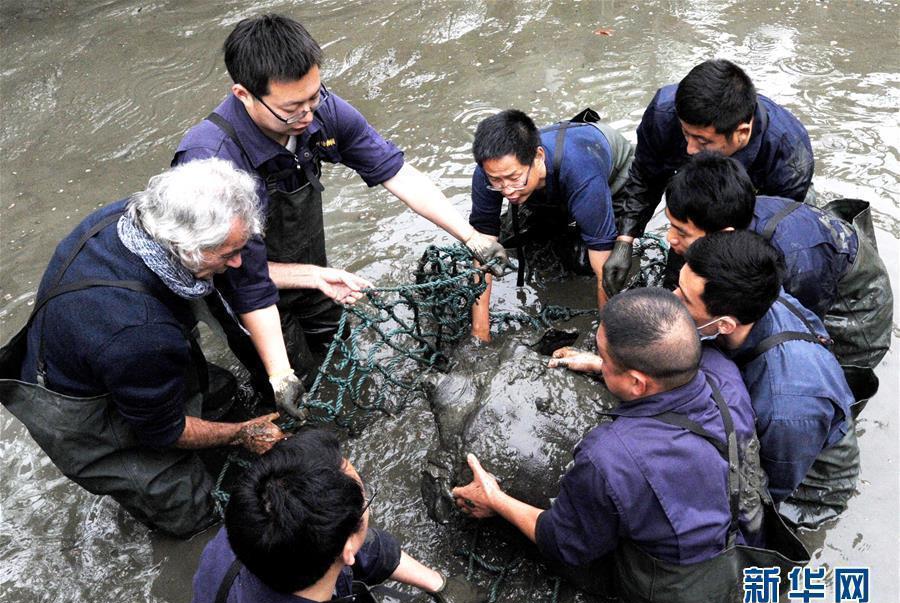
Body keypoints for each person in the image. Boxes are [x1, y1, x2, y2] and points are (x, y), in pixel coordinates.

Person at [174, 13, 513, 413]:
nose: (308, 115)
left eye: (314, 97)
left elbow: (397, 172)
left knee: (340, 350)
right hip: (239, 285)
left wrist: (471, 236)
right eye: (292, 107)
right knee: (294, 382)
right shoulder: (210, 160)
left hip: (309, 269)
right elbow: (235, 273)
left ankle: (353, 412)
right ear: (244, 95)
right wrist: (281, 375)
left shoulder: (319, 112)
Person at [454, 288, 779, 603]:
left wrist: (495, 499)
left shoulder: (610, 457)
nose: (601, 361)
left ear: (638, 381)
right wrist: (603, 367)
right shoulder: (724, 372)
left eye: (606, 359)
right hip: (749, 554)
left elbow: (565, 543)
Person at [0, 159, 288, 538]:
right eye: (226, 255)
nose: (238, 262)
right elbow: (163, 432)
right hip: (80, 412)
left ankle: (193, 415)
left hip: (103, 349)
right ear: (184, 248)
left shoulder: (132, 215)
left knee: (219, 392)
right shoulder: (139, 333)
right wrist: (240, 434)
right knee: (191, 511)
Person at [187, 429, 488, 603]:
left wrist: (439, 584)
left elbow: (360, 544)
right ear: (345, 549)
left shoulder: (242, 531)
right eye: (364, 500)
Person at [662, 152, 892, 403]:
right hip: (815, 251)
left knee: (818, 383)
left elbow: (802, 331)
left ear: (723, 234)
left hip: (853, 300)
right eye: (670, 225)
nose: (669, 238)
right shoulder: (720, 213)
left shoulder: (792, 264)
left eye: (682, 232)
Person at [675, 231, 857, 528]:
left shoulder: (787, 407)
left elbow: (765, 488)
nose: (673, 300)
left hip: (810, 481)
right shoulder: (755, 295)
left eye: (684, 298)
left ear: (724, 324)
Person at [603, 58, 814, 297]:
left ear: (741, 133)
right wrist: (625, 239)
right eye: (685, 134)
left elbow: (764, 234)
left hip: (760, 199)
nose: (690, 149)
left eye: (703, 141)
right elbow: (645, 176)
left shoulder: (787, 153)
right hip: (696, 195)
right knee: (676, 283)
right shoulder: (665, 113)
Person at [468, 109, 634, 341]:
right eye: (497, 181)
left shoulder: (582, 172)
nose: (506, 190)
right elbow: (483, 249)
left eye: (514, 178)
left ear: (537, 157)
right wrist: (480, 333)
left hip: (611, 176)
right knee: (513, 242)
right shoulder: (489, 173)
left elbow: (604, 268)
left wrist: (604, 340)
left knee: (583, 261)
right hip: (547, 184)